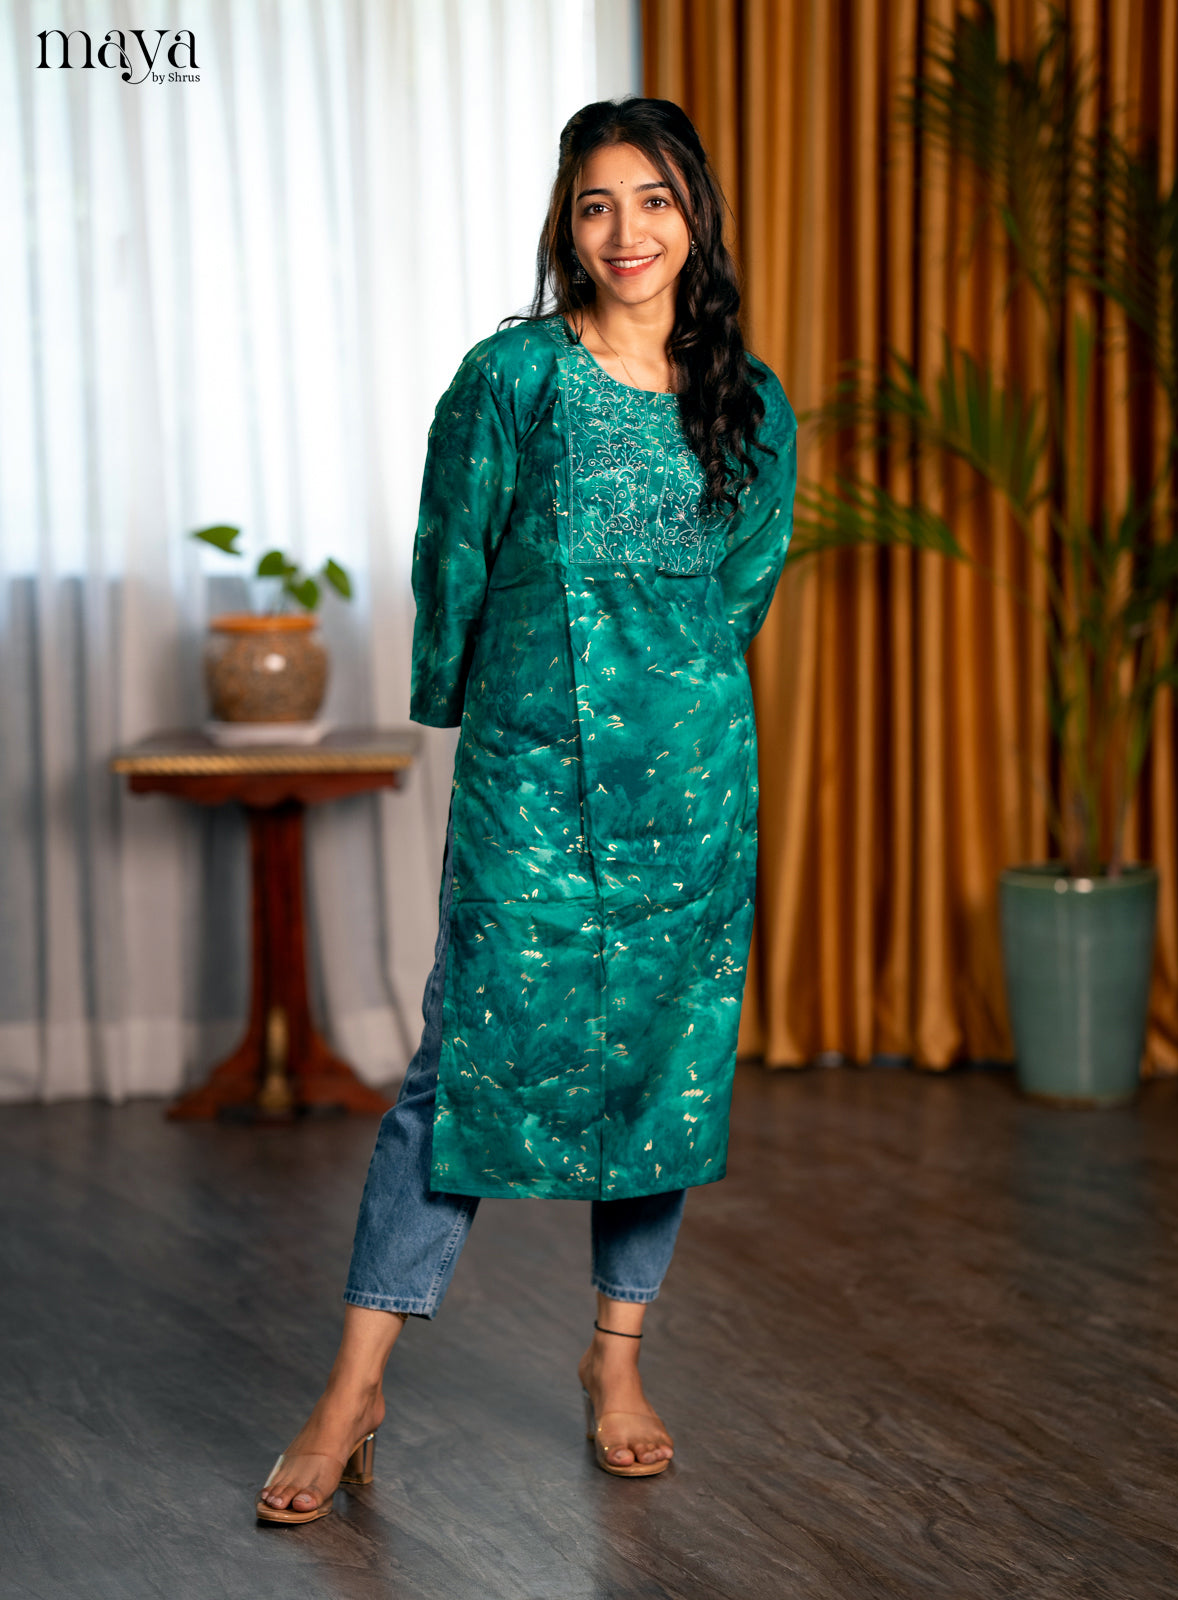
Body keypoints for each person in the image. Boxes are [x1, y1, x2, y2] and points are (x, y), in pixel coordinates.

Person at [257, 95, 798, 1523]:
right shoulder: (511, 378)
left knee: (663, 1070)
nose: (626, 232)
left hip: (688, 786)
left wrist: (663, 691)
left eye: (654, 201)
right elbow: (453, 548)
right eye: (596, 203)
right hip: (530, 780)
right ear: (567, 223)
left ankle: (616, 1361)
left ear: (697, 219)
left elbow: (736, 595)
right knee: (458, 1071)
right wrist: (473, 702)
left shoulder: (751, 403)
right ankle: (352, 1387)